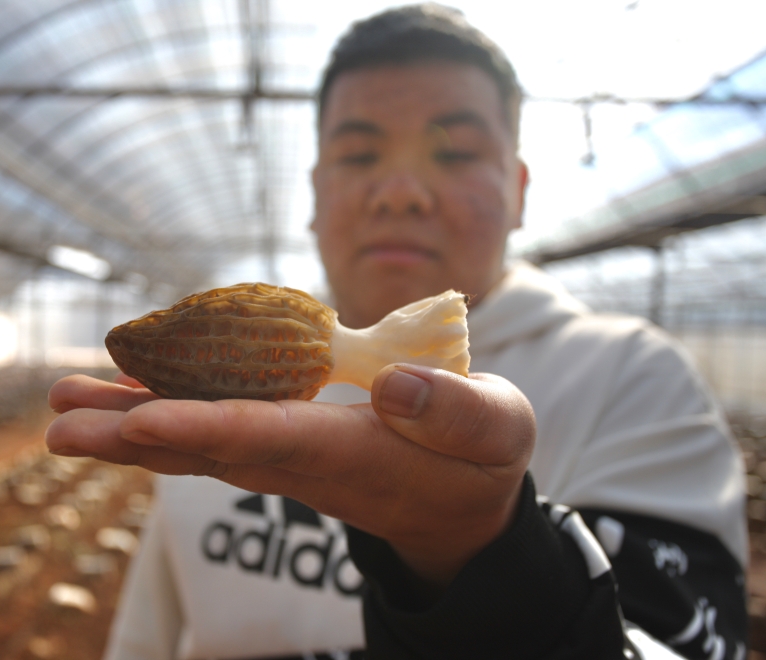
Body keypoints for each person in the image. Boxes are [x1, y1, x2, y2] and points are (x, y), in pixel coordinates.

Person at [46, 5, 749, 659]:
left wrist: (481, 551)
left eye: (455, 152)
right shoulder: (198, 409)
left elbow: (678, 637)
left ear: (521, 189)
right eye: (359, 156)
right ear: (315, 194)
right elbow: (150, 639)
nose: (402, 190)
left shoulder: (633, 381)